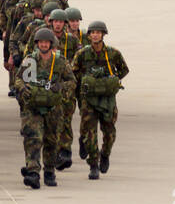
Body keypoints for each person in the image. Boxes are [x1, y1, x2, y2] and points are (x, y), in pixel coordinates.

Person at [15, 27, 75, 189]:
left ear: (51, 44)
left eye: (46, 42)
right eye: (40, 42)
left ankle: (49, 170)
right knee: (33, 138)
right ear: (37, 44)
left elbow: (72, 81)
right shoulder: (30, 60)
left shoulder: (60, 62)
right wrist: (23, 89)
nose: (43, 44)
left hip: (53, 108)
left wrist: (60, 87)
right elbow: (19, 79)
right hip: (33, 107)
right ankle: (33, 171)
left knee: (51, 140)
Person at [73, 21, 129, 179]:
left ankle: (105, 154)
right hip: (89, 100)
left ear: (103, 34)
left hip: (107, 100)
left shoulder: (113, 53)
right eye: (93, 32)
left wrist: (111, 82)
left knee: (109, 133)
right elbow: (73, 72)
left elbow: (124, 69)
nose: (96, 35)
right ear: (89, 35)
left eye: (99, 32)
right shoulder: (82, 54)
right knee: (89, 134)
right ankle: (93, 164)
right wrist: (85, 83)